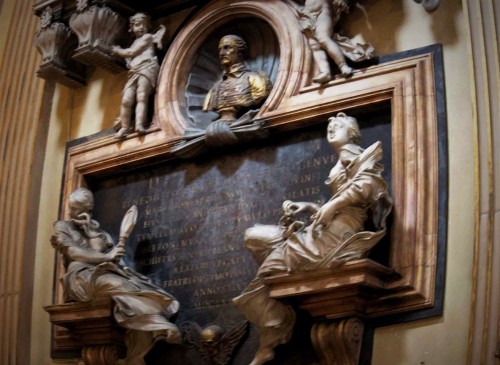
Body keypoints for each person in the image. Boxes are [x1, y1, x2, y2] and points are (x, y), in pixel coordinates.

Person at [233, 112, 392, 365]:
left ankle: (271, 338)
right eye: (329, 126)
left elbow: (368, 184)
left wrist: (332, 205)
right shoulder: (345, 157)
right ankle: (272, 333)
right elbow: (344, 203)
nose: (331, 129)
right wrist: (308, 207)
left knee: (270, 269)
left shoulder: (354, 154)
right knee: (255, 238)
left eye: (338, 126)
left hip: (339, 236)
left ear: (352, 132)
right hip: (330, 229)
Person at [51, 188, 181, 363]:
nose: (70, 212)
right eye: (71, 207)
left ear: (86, 210)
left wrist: (90, 230)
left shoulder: (98, 233)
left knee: (138, 286)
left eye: (75, 209)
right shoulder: (62, 226)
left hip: (101, 271)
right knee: (118, 285)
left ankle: (140, 347)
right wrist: (107, 256)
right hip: (80, 276)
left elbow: (97, 250)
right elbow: (73, 252)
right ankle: (158, 323)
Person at [111, 13, 165, 138]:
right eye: (137, 25)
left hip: (147, 68)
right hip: (134, 72)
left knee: (141, 95)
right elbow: (131, 55)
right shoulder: (134, 42)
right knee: (126, 100)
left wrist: (118, 51)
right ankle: (125, 126)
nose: (141, 27)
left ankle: (139, 124)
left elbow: (132, 52)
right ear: (132, 28)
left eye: (144, 25)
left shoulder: (147, 37)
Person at [298, 0, 374, 83]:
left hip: (323, 9)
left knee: (323, 38)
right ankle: (325, 72)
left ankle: (343, 66)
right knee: (314, 45)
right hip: (306, 14)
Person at [203, 35, 272, 125]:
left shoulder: (256, 79)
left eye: (227, 48)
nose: (222, 53)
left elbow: (260, 94)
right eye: (220, 50)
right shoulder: (215, 89)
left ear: (240, 52)